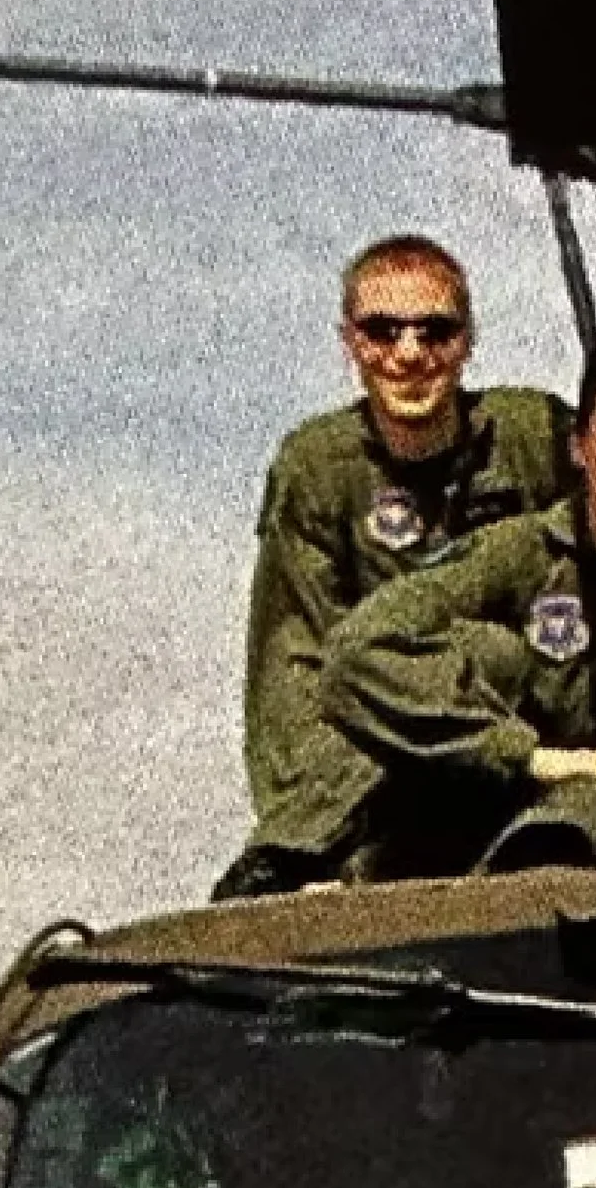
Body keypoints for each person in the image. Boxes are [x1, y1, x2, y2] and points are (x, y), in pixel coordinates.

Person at [224, 320, 596, 885]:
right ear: (580, 445)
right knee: (553, 769)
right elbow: (360, 647)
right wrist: (527, 756)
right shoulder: (523, 553)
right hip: (558, 817)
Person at [243, 231, 572, 820]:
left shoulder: (532, 438)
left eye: (436, 331)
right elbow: (290, 668)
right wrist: (302, 835)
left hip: (531, 745)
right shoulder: (319, 468)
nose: (411, 352)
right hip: (388, 754)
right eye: (382, 331)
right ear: (350, 342)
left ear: (468, 342)